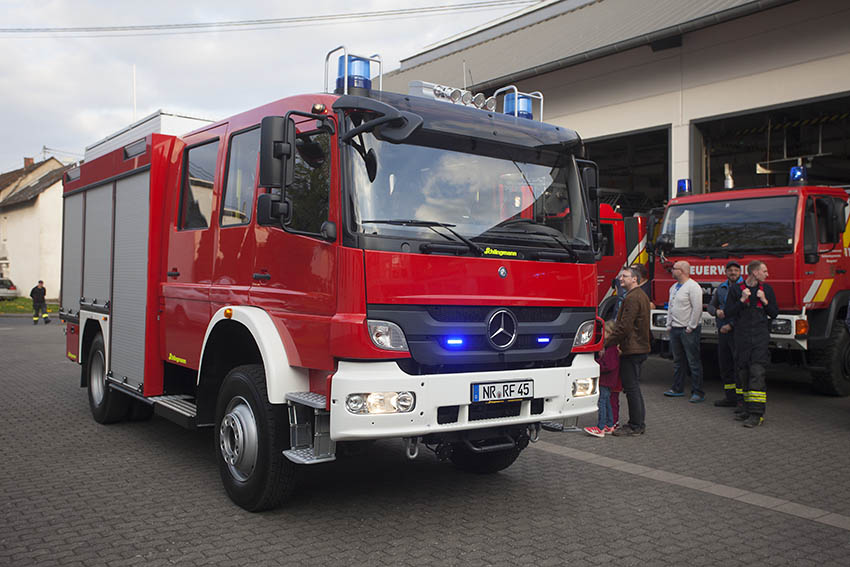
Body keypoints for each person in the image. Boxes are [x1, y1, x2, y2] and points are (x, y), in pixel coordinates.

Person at [725, 260, 778, 428]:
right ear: (755, 273)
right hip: (742, 338)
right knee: (743, 374)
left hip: (760, 338)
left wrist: (765, 301)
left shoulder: (766, 290)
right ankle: (747, 409)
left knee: (757, 373)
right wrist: (742, 300)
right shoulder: (736, 290)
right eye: (764, 271)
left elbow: (774, 313)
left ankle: (757, 414)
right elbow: (728, 312)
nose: (767, 274)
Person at [606, 266, 651, 436]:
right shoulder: (639, 296)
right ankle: (637, 423)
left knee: (631, 388)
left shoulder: (632, 298)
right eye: (620, 275)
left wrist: (606, 343)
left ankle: (636, 425)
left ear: (635, 279)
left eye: (625, 276)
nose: (620, 278)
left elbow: (624, 326)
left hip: (632, 349)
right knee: (633, 387)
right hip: (637, 347)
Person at [663, 260, 705, 402]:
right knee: (678, 361)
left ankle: (698, 391)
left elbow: (697, 308)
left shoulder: (693, 287)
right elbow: (670, 307)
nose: (672, 271)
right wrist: (669, 324)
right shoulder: (673, 287)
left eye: (674, 269)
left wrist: (691, 326)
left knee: (693, 361)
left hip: (688, 330)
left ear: (682, 271)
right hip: (675, 328)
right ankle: (677, 388)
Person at [706, 262, 743, 408]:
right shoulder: (721, 288)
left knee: (738, 366)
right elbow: (710, 306)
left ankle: (741, 400)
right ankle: (730, 397)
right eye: (730, 270)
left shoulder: (744, 288)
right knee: (725, 365)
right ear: (726, 272)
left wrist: (731, 325)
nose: (733, 273)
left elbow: (743, 312)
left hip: (737, 332)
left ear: (740, 272)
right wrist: (715, 312)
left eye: (735, 270)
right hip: (723, 332)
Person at [584, 320, 620, 438]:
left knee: (602, 402)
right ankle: (609, 425)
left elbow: (609, 365)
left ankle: (600, 427)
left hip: (606, 380)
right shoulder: (611, 348)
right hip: (608, 380)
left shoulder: (610, 349)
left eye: (605, 332)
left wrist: (597, 364)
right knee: (607, 402)